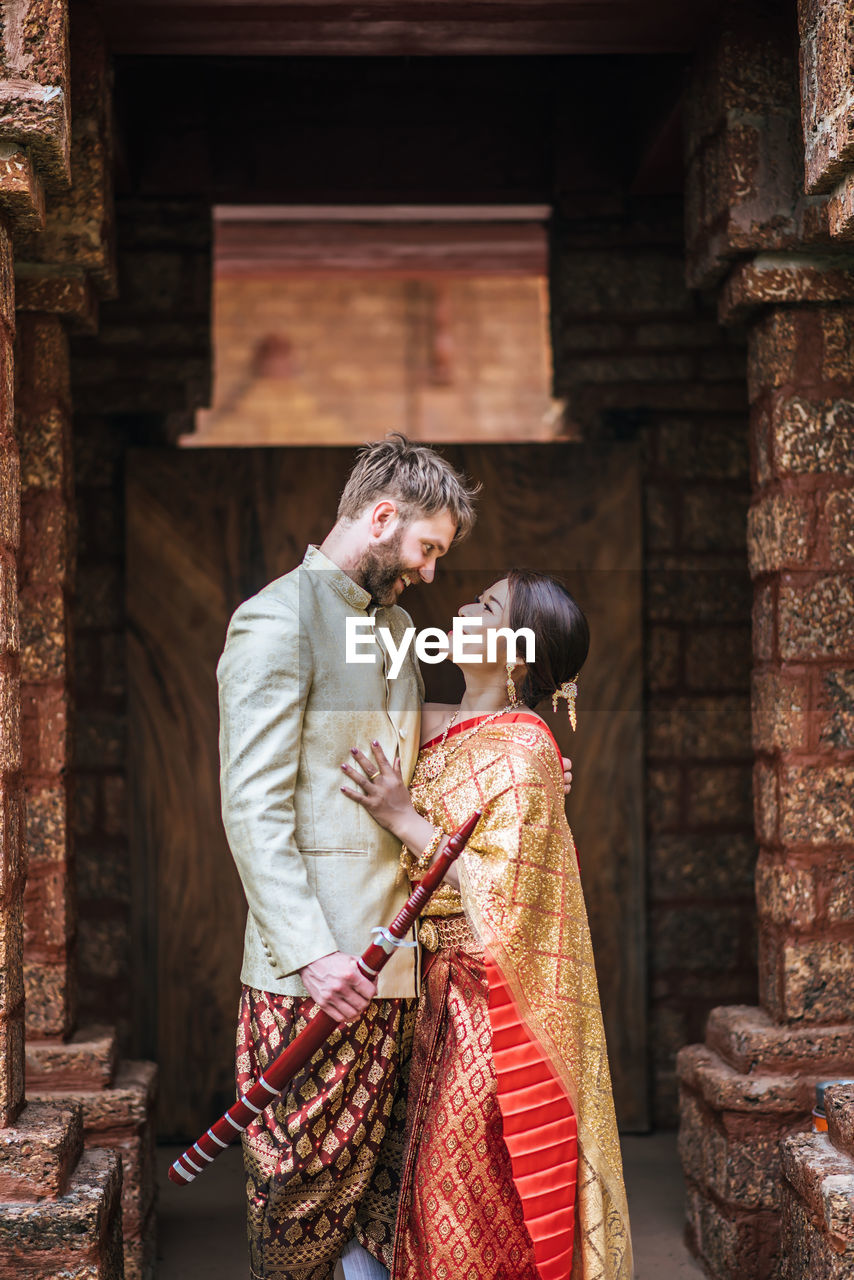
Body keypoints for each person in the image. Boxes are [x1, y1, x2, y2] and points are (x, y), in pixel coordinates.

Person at [217, 434, 478, 1280]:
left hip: (400, 966)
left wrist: (517, 746)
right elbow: (252, 809)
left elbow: (416, 740)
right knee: (295, 1196)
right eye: (427, 548)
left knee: (389, 1196)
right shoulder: (274, 619)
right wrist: (315, 953)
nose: (433, 573)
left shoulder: (396, 627)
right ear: (380, 517)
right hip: (311, 976)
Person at [341, 571, 633, 1280]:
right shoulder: (456, 729)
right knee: (406, 1197)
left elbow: (502, 888)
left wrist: (402, 817)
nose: (465, 607)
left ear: (520, 656)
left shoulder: (526, 746)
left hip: (485, 1017)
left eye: (488, 606)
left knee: (459, 1197)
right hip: (427, 1005)